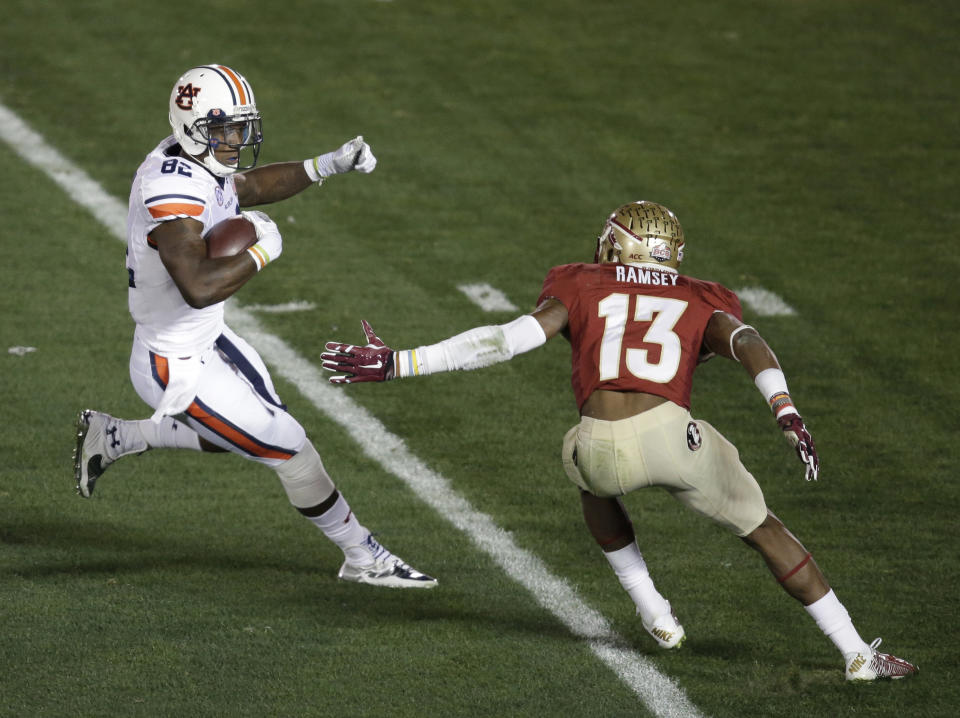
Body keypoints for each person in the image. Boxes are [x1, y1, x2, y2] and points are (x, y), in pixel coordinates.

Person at [319, 200, 918, 678]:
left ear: (617, 244)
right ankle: (857, 653)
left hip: (602, 445)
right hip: (670, 435)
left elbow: (505, 341)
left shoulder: (580, 283)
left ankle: (651, 607)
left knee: (581, 464)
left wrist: (401, 362)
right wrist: (785, 410)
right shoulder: (699, 295)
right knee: (765, 530)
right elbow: (747, 343)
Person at [73, 64, 436, 589]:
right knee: (288, 445)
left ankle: (118, 435)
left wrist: (327, 165)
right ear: (192, 126)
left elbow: (244, 186)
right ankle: (363, 556)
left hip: (208, 337)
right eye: (223, 129)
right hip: (171, 363)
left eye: (239, 127)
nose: (234, 139)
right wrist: (266, 250)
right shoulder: (167, 193)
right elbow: (197, 285)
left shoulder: (193, 161)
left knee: (242, 436)